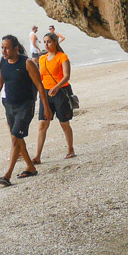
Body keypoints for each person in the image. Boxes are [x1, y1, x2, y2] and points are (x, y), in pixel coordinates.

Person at [0, 35, 51, 186]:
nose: (3, 51)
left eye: (6, 48)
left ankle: (7, 175)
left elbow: (39, 85)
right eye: (2, 48)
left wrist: (46, 108)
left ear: (16, 49)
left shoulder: (27, 63)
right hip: (9, 105)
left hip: (25, 106)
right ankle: (30, 168)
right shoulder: (2, 63)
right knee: (17, 138)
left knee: (14, 138)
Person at [33, 32, 76, 161]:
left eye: (49, 42)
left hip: (61, 92)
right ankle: (37, 156)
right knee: (42, 124)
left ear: (55, 42)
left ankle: (70, 149)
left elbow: (66, 76)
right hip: (46, 94)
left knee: (64, 123)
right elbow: (40, 77)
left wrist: (56, 87)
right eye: (44, 42)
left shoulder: (62, 57)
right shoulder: (42, 58)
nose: (46, 44)